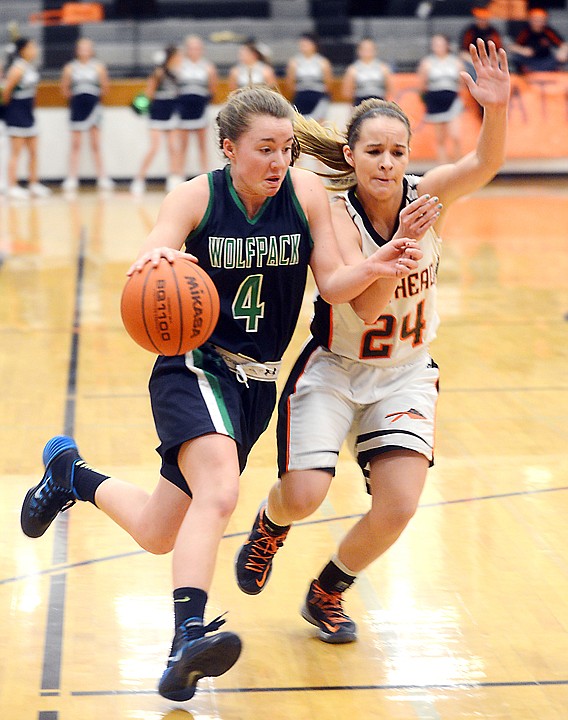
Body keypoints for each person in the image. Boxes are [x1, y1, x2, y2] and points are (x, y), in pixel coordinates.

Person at [20, 85, 423, 702]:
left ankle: (70, 475)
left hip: (257, 385)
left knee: (160, 531)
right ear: (229, 147)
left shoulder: (305, 194)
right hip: (196, 365)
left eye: (286, 149)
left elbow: (336, 285)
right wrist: (156, 254)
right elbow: (159, 243)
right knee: (222, 491)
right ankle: (186, 637)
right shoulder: (199, 195)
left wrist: (376, 264)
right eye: (264, 149)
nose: (277, 163)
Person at [235, 40, 510, 644]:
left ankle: (329, 588)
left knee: (400, 506)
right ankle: (269, 524)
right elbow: (358, 302)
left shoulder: (427, 198)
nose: (387, 163)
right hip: (335, 367)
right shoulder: (332, 213)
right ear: (352, 157)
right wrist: (397, 253)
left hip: (406, 372)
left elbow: (483, 167)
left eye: (397, 152)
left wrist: (497, 109)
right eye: (375, 151)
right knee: (304, 495)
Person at [60, 38, 114, 193]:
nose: (84, 51)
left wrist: (93, 99)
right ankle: (72, 178)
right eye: (81, 48)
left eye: (87, 48)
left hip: (94, 107)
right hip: (77, 108)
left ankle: (102, 177)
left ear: (92, 50)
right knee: (75, 144)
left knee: (96, 144)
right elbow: (64, 88)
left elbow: (105, 87)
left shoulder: (98, 67)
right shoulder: (70, 68)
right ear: (77, 50)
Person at [2, 38, 51, 200]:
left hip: (29, 112)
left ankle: (33, 183)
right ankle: (12, 186)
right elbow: (6, 92)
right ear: (22, 50)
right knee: (16, 151)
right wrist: (9, 112)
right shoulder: (17, 69)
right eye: (31, 47)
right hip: (17, 112)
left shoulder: (30, 67)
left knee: (34, 150)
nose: (35, 50)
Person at [130, 45, 183, 195]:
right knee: (154, 147)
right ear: (170, 58)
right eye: (178, 56)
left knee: (173, 147)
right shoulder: (159, 73)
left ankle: (173, 178)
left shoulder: (177, 73)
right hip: (158, 113)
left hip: (171, 112)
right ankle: (139, 179)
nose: (180, 59)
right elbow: (149, 93)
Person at [418, 33, 465, 163]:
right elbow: (422, 84)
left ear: (447, 45)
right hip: (435, 101)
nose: (437, 46)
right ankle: (443, 169)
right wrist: (427, 101)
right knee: (440, 138)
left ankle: (459, 168)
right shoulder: (427, 63)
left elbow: (461, 83)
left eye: (440, 43)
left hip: (452, 99)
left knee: (456, 136)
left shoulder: (455, 62)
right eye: (435, 44)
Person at [177, 35, 218, 177]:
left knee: (202, 145)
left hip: (200, 108)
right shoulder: (180, 65)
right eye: (191, 48)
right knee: (183, 145)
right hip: (184, 109)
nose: (194, 50)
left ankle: (205, 175)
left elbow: (212, 88)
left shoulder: (208, 67)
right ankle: (178, 175)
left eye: (197, 48)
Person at [286, 33, 332, 122]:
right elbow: (290, 83)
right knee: (299, 124)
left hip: (318, 96)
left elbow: (328, 83)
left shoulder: (323, 62)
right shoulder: (294, 62)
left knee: (318, 123)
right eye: (302, 44)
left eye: (306, 44)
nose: (304, 47)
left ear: (314, 45)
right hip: (301, 96)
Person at [508, 8, 568, 74]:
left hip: (545, 59)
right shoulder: (525, 31)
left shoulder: (548, 31)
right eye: (536, 20)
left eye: (541, 20)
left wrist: (562, 52)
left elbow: (563, 44)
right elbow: (512, 47)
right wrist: (523, 50)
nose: (538, 23)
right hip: (529, 60)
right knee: (515, 58)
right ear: (530, 20)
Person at [342, 37, 392, 106]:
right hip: (360, 102)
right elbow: (347, 92)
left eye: (370, 49)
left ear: (375, 50)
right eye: (364, 49)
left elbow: (390, 89)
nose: (367, 51)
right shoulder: (352, 69)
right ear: (358, 50)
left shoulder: (383, 68)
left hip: (379, 102)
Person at [459, 6, 503, 78]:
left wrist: (489, 62)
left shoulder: (493, 32)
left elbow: (499, 52)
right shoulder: (469, 32)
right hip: (472, 61)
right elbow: (463, 53)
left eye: (484, 19)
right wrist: (476, 62)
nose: (482, 21)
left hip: (490, 61)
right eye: (480, 19)